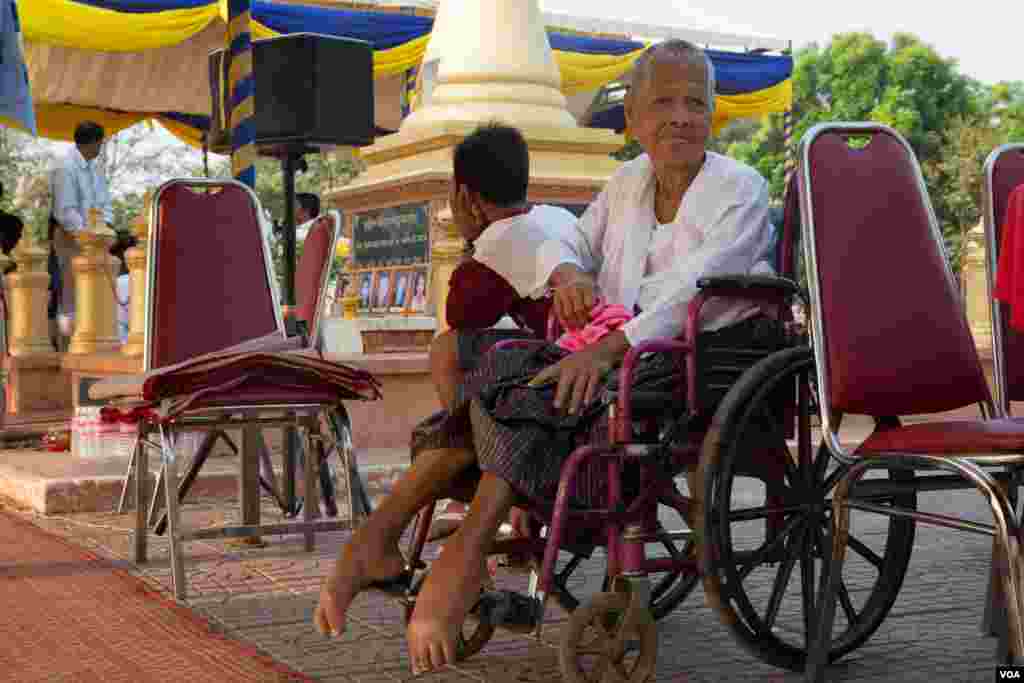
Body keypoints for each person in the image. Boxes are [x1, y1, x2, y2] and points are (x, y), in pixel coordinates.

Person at [314, 40, 785, 675]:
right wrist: (568, 276)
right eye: (663, 103)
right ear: (633, 120)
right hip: (604, 346)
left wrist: (605, 349)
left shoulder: (741, 188)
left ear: (712, 114)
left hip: (691, 353)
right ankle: (382, 534)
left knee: (539, 388)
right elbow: (569, 239)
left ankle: (455, 551)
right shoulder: (625, 183)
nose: (680, 117)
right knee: (497, 361)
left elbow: (705, 288)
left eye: (695, 104)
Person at [48, 121, 114, 347]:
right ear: (94, 142)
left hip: (95, 240)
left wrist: (104, 230)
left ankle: (93, 341)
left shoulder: (94, 168)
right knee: (71, 293)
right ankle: (67, 347)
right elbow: (65, 211)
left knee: (95, 293)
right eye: (101, 142)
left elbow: (105, 203)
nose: (101, 147)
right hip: (70, 236)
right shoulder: (64, 167)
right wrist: (87, 236)